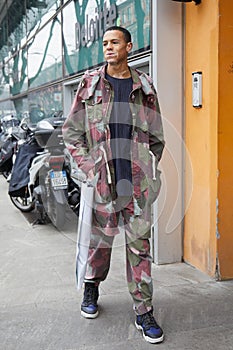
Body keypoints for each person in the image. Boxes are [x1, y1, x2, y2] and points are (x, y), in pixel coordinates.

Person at [62, 26, 165, 344]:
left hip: (135, 186)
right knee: (99, 245)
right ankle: (91, 288)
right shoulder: (90, 85)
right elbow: (71, 132)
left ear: (129, 47)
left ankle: (143, 311)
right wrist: (89, 167)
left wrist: (147, 170)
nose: (108, 47)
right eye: (104, 43)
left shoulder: (145, 86)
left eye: (114, 42)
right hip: (102, 184)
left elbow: (157, 137)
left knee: (140, 249)